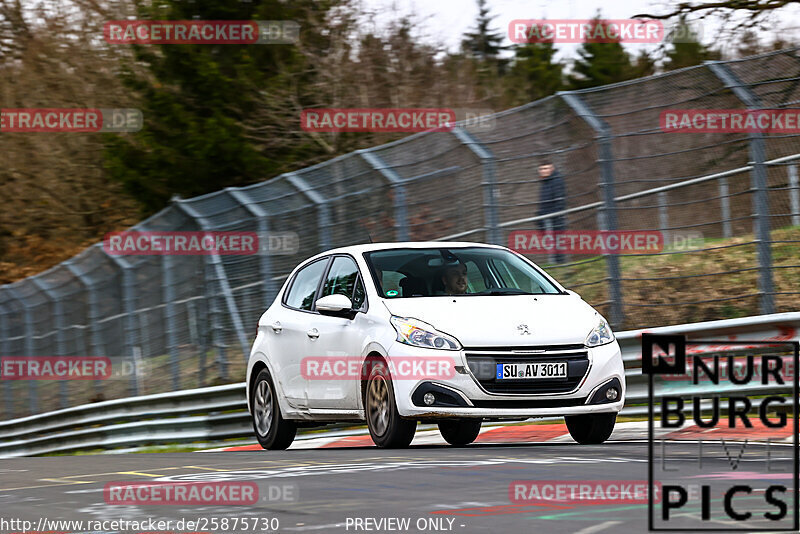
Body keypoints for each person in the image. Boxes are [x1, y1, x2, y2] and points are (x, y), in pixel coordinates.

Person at [537, 160, 567, 263]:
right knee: (551, 245)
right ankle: (556, 265)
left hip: (555, 219)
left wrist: (555, 216)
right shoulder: (545, 183)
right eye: (541, 169)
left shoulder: (556, 181)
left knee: (557, 246)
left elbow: (559, 201)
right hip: (545, 218)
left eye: (546, 168)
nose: (543, 171)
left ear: (552, 168)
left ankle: (559, 266)